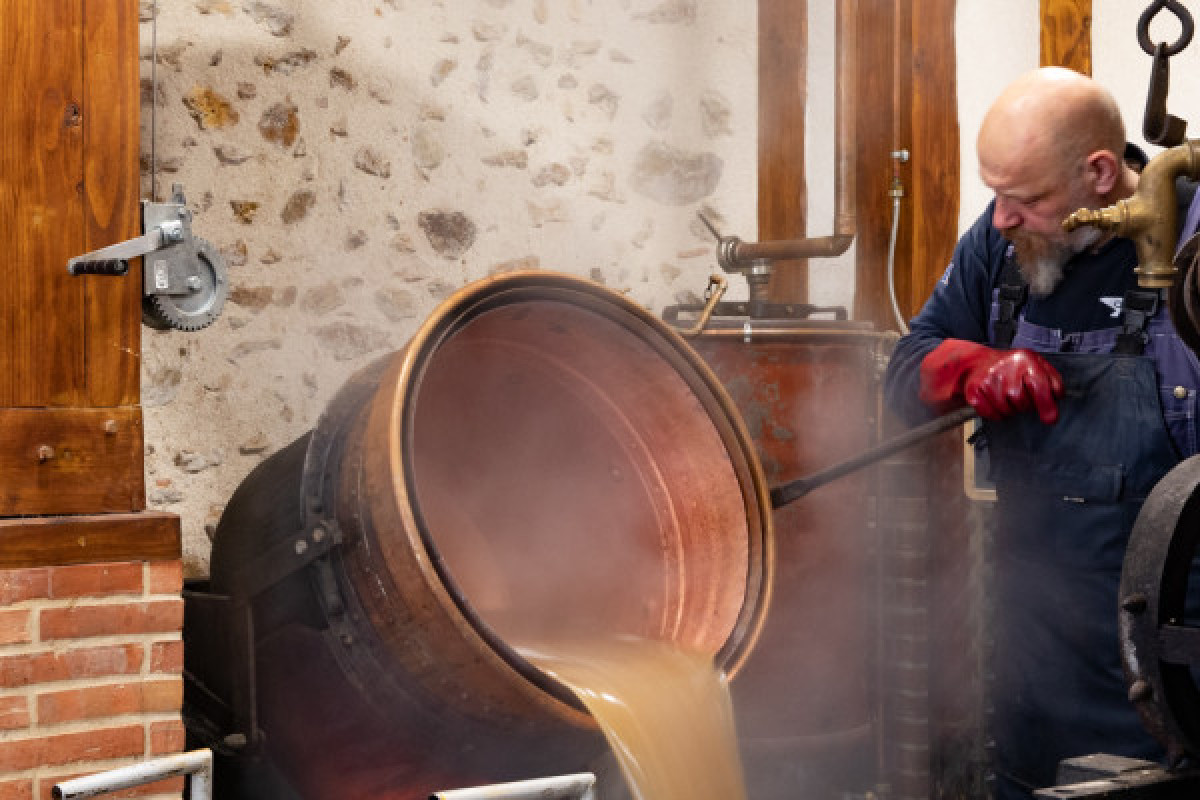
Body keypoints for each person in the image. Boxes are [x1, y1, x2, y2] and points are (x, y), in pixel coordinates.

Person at [883, 67, 1200, 799]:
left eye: (1024, 198)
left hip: (1172, 686)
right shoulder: (1000, 251)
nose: (1001, 219)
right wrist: (965, 368)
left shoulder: (1189, 245)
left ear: (1098, 174)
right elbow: (906, 371)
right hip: (1030, 668)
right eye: (995, 194)